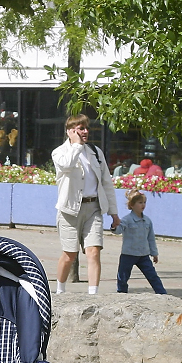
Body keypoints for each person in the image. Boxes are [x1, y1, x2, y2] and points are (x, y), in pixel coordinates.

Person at [51, 114, 119, 295]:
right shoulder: (60, 152)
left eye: (86, 128)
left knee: (94, 251)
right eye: (81, 128)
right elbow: (67, 165)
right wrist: (76, 145)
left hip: (93, 208)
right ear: (70, 131)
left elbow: (106, 183)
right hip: (69, 210)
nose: (85, 131)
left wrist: (114, 213)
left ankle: (92, 295)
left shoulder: (95, 152)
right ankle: (60, 291)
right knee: (70, 254)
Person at [114, 190, 167, 294]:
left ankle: (162, 293)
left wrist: (154, 253)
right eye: (140, 203)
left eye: (144, 202)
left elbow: (151, 238)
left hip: (143, 255)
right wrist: (114, 226)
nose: (143, 205)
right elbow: (118, 230)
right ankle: (121, 293)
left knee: (152, 275)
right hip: (128, 254)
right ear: (132, 205)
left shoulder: (147, 221)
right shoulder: (127, 219)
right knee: (123, 276)